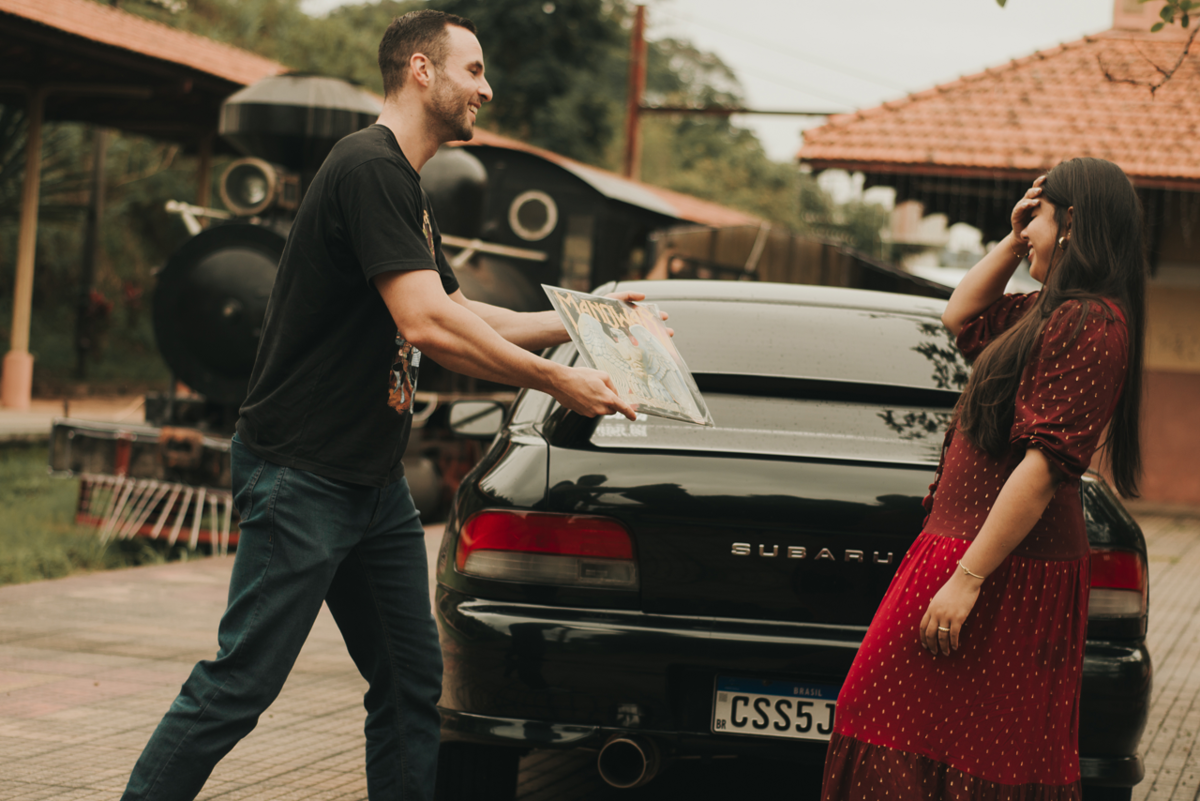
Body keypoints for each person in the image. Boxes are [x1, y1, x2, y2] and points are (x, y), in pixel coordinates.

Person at [121, 10, 647, 801]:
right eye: (474, 70)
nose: (487, 88)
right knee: (241, 684)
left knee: (409, 683)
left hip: (370, 483)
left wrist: (599, 321)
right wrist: (561, 381)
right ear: (420, 71)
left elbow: (465, 309)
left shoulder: (402, 183)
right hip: (302, 474)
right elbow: (427, 324)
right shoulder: (367, 167)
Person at [820, 157, 1146, 800]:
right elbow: (959, 315)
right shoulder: (1049, 311)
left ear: (1075, 223)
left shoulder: (1091, 322)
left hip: (1000, 568)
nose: (1027, 236)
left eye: (1040, 219)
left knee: (963, 747)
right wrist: (1014, 232)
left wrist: (967, 579)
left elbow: (1044, 465)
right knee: (895, 726)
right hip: (964, 550)